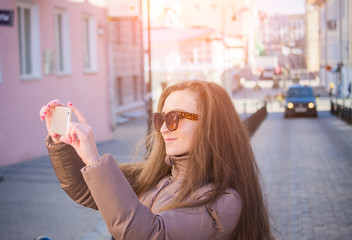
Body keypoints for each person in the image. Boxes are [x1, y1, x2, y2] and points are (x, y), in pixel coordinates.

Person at [40, 80, 273, 239]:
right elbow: (86, 190)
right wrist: (61, 143)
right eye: (161, 118)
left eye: (174, 118)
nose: (163, 129)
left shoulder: (224, 200)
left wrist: (94, 158)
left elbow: (152, 234)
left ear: (211, 124)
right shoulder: (158, 176)